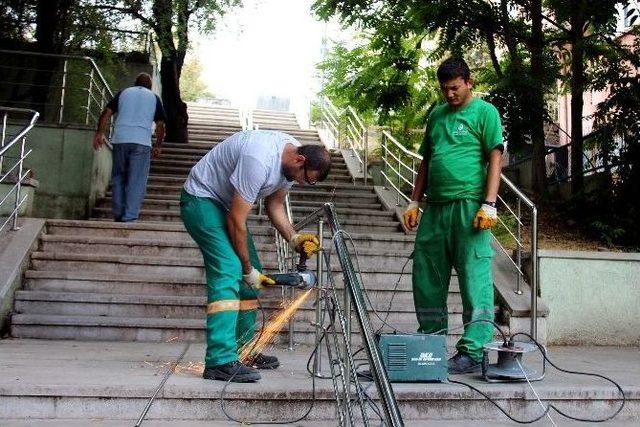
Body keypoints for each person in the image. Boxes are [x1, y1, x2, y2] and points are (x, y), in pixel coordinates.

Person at [181, 129, 332, 382]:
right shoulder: (259, 159)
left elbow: (275, 205)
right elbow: (237, 219)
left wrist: (294, 238)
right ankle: (219, 360)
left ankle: (244, 351)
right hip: (201, 200)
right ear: (300, 160)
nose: (305, 184)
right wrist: (246, 268)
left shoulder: (292, 160)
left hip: (225, 206)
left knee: (252, 281)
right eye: (308, 179)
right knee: (231, 269)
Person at [402, 58, 504, 374]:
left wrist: (489, 203)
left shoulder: (485, 112)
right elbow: (426, 160)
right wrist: (414, 201)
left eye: (455, 88)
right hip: (435, 208)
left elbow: (495, 156)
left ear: (468, 82)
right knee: (427, 276)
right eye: (444, 89)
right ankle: (431, 342)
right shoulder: (437, 116)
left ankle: (472, 350)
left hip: (469, 207)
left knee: (474, 278)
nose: (449, 95)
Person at [93, 72, 166, 222]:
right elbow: (160, 124)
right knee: (136, 180)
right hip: (142, 142)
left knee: (118, 177)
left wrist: (99, 133)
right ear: (150, 86)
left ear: (135, 83)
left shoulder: (123, 93)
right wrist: (158, 145)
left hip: (121, 139)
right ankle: (130, 216)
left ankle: (118, 213)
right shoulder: (154, 98)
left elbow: (106, 113)